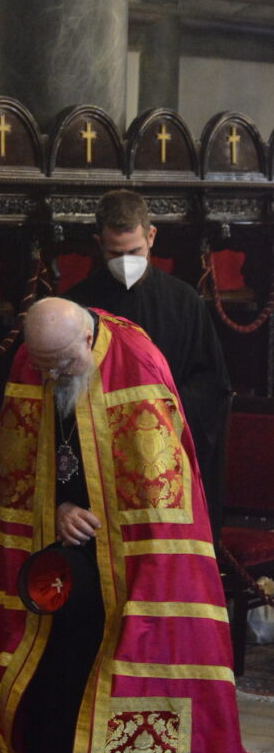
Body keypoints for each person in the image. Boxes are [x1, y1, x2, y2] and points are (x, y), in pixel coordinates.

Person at [0, 297, 255, 753]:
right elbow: (16, 465)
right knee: (48, 651)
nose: (52, 375)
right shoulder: (34, 359)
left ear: (87, 340)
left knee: (112, 643)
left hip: (128, 557)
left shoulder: (136, 360)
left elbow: (156, 482)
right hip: (57, 549)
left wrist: (102, 520)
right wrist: (55, 510)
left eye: (64, 364)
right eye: (43, 365)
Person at [66, 189, 230, 539]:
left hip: (167, 450)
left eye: (135, 251)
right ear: (98, 243)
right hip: (103, 455)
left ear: (151, 236)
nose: (126, 262)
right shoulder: (76, 306)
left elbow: (211, 382)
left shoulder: (184, 301)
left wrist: (160, 409)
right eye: (115, 253)